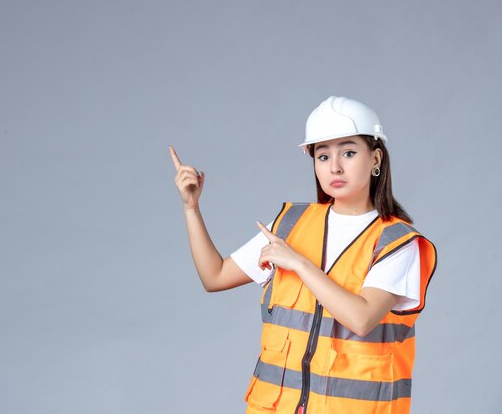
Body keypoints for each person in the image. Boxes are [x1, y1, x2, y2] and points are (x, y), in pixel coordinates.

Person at [169, 95, 437, 414]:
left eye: (348, 152)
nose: (334, 166)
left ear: (376, 158)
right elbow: (214, 277)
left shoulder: (397, 241)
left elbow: (361, 319)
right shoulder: (290, 226)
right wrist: (191, 208)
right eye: (322, 156)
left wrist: (298, 263)